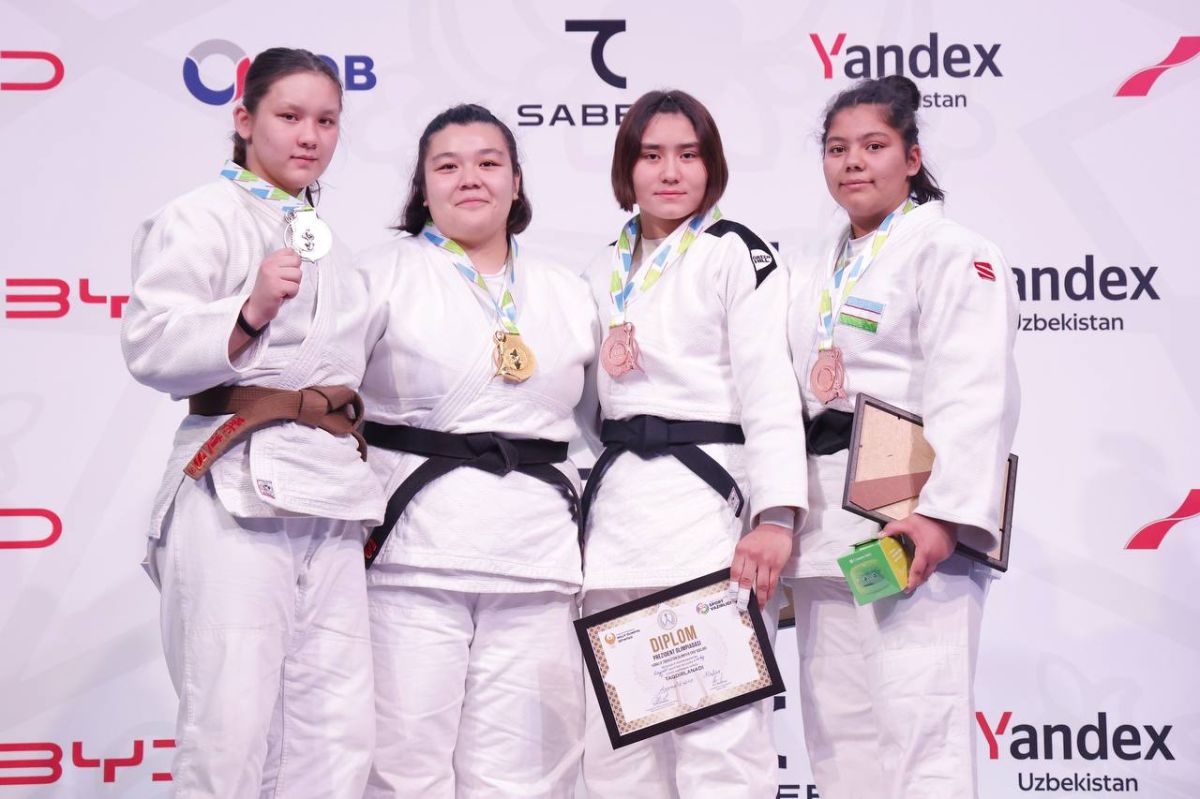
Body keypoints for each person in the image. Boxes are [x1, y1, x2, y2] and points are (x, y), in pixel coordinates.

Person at [121, 48, 384, 798]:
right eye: (289, 116)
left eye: (326, 120)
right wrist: (248, 310)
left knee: (333, 729)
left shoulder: (325, 236)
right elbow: (149, 344)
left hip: (330, 494)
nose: (309, 136)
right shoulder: (200, 215)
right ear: (244, 119)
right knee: (229, 722)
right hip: (233, 481)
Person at [783, 75, 1020, 798]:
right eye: (836, 149)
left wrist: (943, 516)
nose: (853, 161)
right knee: (840, 736)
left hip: (909, 523)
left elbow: (976, 393)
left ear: (912, 158)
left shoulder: (952, 251)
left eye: (873, 146)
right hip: (825, 528)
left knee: (922, 732)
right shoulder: (811, 264)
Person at [358, 104, 600, 798]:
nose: (470, 178)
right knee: (403, 766)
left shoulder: (566, 291)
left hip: (536, 555)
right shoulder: (377, 277)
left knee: (525, 776)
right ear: (422, 186)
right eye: (448, 165)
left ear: (516, 181)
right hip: (413, 556)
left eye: (489, 163)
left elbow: (604, 426)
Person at [579, 89, 807, 798]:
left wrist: (776, 517)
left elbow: (771, 391)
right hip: (617, 523)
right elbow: (582, 411)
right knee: (618, 754)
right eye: (651, 155)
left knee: (721, 745)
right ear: (627, 167)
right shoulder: (602, 267)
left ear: (712, 166)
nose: (670, 171)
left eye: (688, 154)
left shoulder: (736, 252)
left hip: (709, 518)